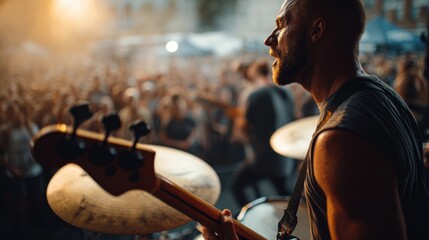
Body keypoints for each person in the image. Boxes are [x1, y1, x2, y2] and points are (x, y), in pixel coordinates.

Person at [202, 0, 429, 239]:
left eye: (281, 25)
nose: (269, 40)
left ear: (316, 31)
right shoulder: (384, 96)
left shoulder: (342, 140)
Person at [230, 59, 296, 207]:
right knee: (285, 193)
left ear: (253, 75)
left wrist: (237, 120)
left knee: (236, 185)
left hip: (264, 158)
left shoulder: (255, 95)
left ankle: (247, 224)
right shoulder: (285, 92)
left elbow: (244, 126)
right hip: (285, 155)